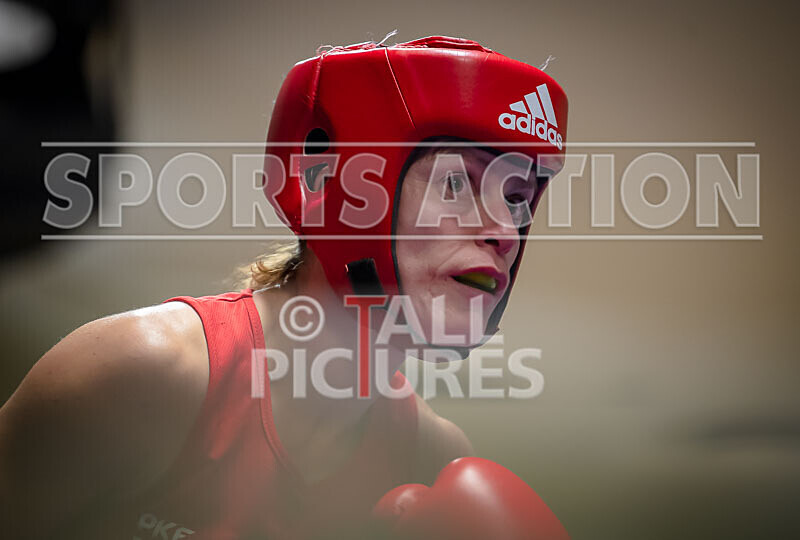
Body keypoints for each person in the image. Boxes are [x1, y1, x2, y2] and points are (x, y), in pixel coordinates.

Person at [0, 36, 568, 538]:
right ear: (334, 183)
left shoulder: (430, 458)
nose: (504, 233)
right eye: (455, 183)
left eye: (517, 199)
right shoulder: (140, 373)